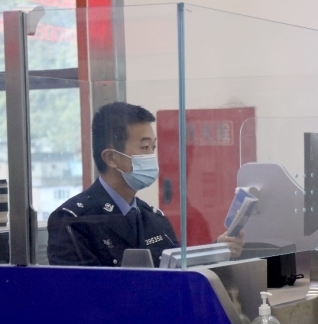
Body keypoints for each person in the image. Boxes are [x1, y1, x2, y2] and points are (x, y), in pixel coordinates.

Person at [47, 102, 244, 267]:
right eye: (144, 147)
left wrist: (217, 251)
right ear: (111, 157)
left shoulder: (153, 218)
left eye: (153, 147)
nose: (151, 156)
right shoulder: (73, 221)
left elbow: (178, 271)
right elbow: (81, 294)